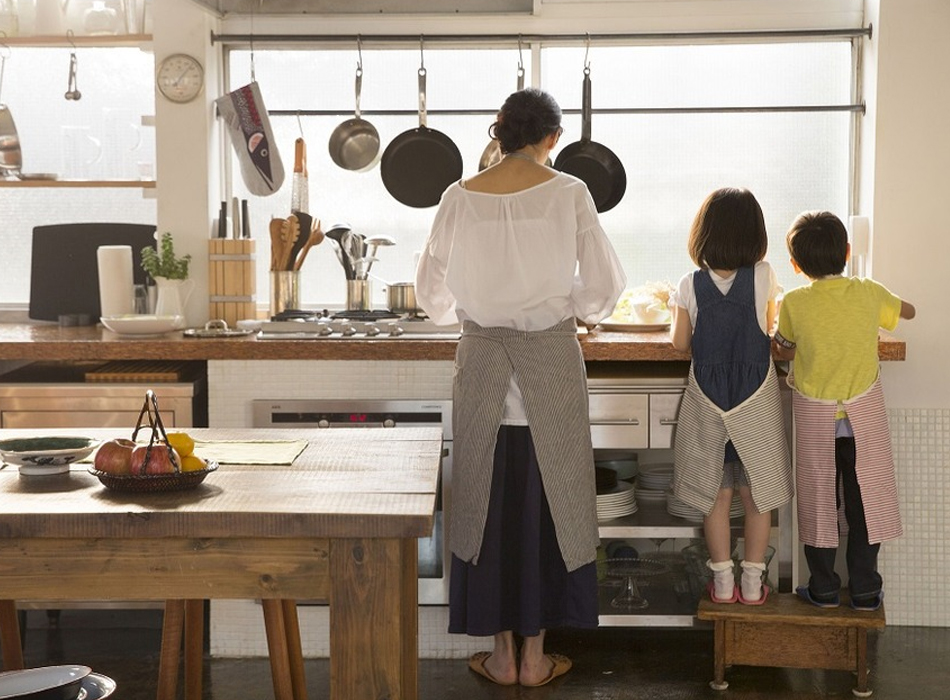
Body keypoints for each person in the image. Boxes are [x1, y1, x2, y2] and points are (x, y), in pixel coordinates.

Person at [415, 87, 626, 687]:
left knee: (485, 504)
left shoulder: (458, 196)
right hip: (551, 362)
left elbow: (432, 294)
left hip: (481, 360)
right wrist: (575, 308)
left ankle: (502, 657)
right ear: (552, 137)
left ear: (500, 135)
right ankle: (537, 658)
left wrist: (472, 311)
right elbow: (603, 288)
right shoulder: (570, 193)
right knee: (548, 502)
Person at [773, 211, 915, 611]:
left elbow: (782, 346)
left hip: (818, 420)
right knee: (867, 500)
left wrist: (794, 347)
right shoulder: (869, 291)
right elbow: (908, 313)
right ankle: (867, 589)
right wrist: (893, 306)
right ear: (848, 252)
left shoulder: (795, 301)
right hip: (863, 419)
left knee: (818, 501)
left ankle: (823, 588)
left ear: (796, 265)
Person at [670, 187, 793, 605]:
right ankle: (754, 582)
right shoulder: (763, 277)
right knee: (757, 495)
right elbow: (772, 330)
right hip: (753, 404)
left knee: (715, 495)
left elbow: (680, 344)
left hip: (709, 404)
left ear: (702, 234)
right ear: (754, 235)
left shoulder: (690, 284)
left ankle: (723, 583)